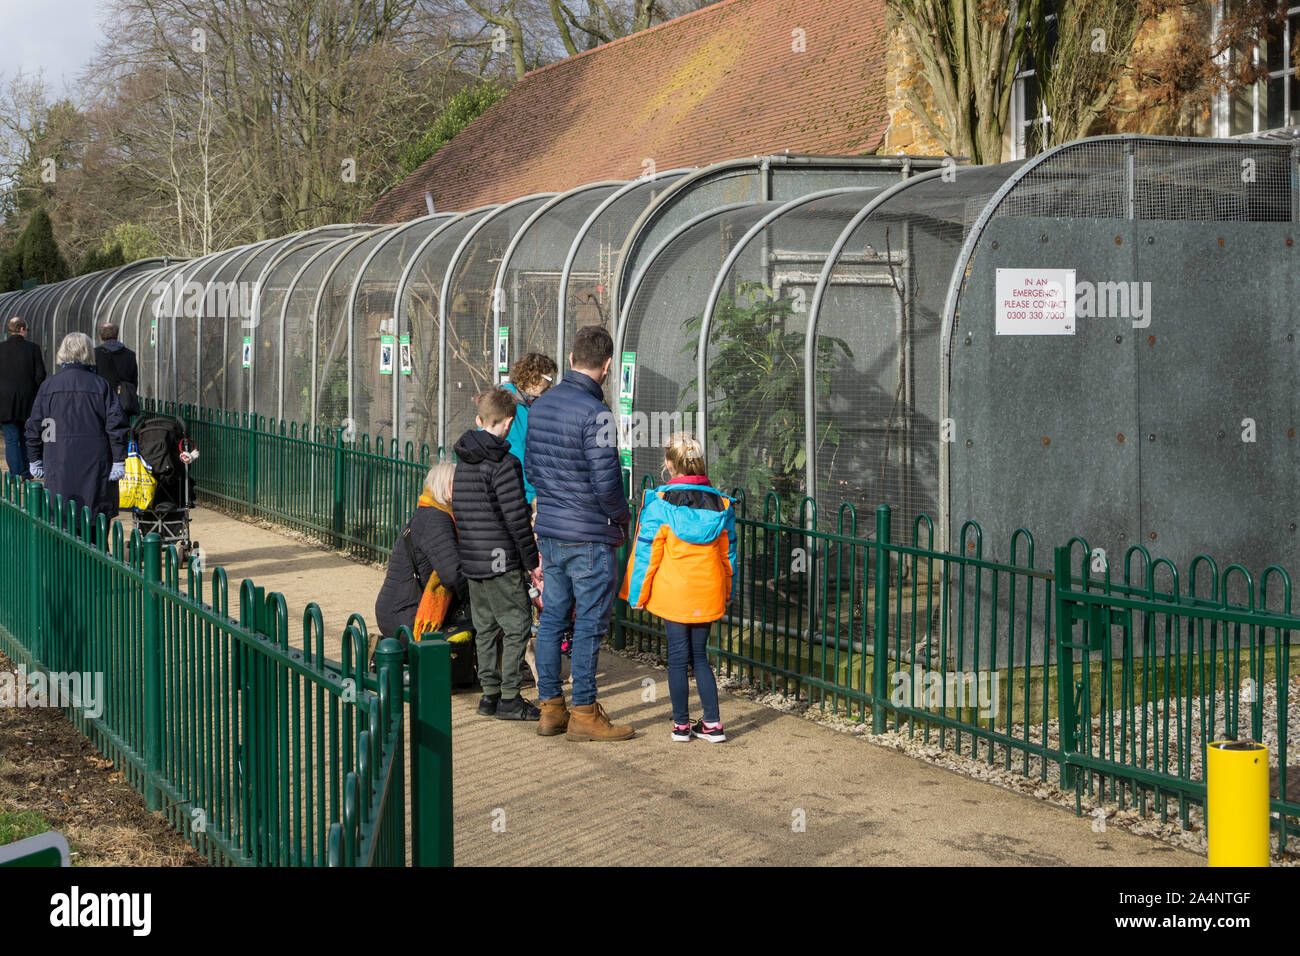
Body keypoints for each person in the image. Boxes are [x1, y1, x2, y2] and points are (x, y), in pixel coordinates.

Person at [525, 325, 633, 741]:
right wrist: (621, 517)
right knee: (588, 624)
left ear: (571, 360)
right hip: (589, 535)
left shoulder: (540, 407)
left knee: (552, 618)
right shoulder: (598, 415)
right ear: (606, 367)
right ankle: (585, 712)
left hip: (550, 530)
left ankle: (551, 708)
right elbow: (607, 484)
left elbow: (531, 470)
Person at [620, 433, 736, 742]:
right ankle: (712, 724)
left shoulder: (659, 504)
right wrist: (727, 591)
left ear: (669, 465)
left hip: (674, 595)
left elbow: (646, 554)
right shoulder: (722, 505)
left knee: (678, 657)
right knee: (700, 656)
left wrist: (636, 595)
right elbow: (729, 557)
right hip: (707, 592)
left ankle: (681, 726)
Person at [452, 387, 541, 721]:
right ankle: (509, 697)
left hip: (473, 558)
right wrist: (531, 560)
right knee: (517, 625)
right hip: (501, 558)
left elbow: (460, 509)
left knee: (486, 627)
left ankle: (489, 694)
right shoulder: (505, 463)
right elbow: (516, 517)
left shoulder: (463, 461)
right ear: (509, 423)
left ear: (479, 419)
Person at [24, 332, 127, 524]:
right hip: (96, 465)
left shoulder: (49, 386)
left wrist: (34, 458)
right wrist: (119, 459)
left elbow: (37, 425)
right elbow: (116, 425)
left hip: (58, 461)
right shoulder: (101, 385)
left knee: (62, 522)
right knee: (95, 523)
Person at [374, 463, 467, 646]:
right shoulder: (437, 518)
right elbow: (452, 574)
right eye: (460, 484)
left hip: (395, 610)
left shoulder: (426, 511)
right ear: (447, 486)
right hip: (407, 617)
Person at [501, 352, 557, 505]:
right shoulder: (505, 401)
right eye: (548, 379)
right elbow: (520, 451)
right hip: (514, 492)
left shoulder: (532, 404)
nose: (551, 385)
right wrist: (532, 494)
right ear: (533, 376)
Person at [0, 317, 46, 480]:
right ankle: (27, 471)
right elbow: (41, 376)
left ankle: (15, 473)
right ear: (21, 329)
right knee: (27, 436)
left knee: (11, 439)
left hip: (5, 403)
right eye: (27, 329)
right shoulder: (33, 349)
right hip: (28, 402)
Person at [94, 322, 139, 417]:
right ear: (117, 335)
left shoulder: (95, 354)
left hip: (101, 401)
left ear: (101, 336)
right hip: (123, 401)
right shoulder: (130, 355)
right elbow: (134, 381)